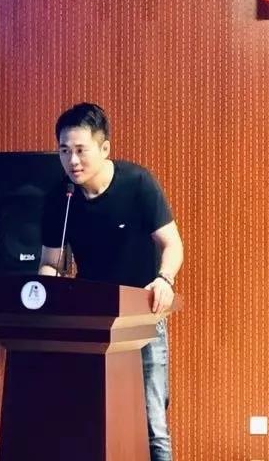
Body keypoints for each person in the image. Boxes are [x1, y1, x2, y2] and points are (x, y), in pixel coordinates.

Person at [38, 102, 183, 461]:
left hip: (143, 315)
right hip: (91, 318)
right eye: (64, 151)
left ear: (104, 148)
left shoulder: (137, 183)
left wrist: (164, 279)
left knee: (152, 423)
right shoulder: (60, 198)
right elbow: (51, 263)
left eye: (80, 150)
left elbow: (172, 244)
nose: (72, 161)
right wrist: (44, 296)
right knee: (92, 416)